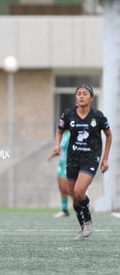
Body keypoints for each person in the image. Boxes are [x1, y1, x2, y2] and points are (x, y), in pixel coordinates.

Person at [52, 84, 112, 240]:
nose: (81, 96)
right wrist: (57, 146)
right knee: (75, 197)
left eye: (85, 94)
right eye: (79, 93)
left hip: (90, 159)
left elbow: (109, 135)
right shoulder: (68, 115)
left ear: (91, 98)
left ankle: (88, 223)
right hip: (73, 159)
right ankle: (83, 226)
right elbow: (59, 131)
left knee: (79, 191)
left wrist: (105, 159)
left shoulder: (98, 116)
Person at [47, 130, 71, 218]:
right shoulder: (63, 135)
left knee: (68, 189)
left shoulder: (71, 133)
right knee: (61, 188)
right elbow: (60, 150)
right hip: (61, 164)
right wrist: (52, 155)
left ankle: (80, 204)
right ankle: (64, 210)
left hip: (68, 163)